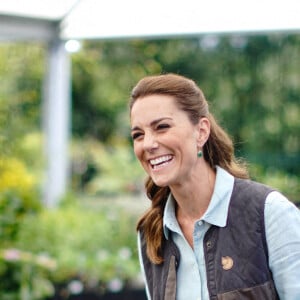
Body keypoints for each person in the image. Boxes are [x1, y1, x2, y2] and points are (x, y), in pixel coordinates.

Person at [129, 73, 300, 300]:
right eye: (138, 135)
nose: (148, 144)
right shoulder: (151, 233)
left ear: (201, 131)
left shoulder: (268, 212)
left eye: (161, 127)